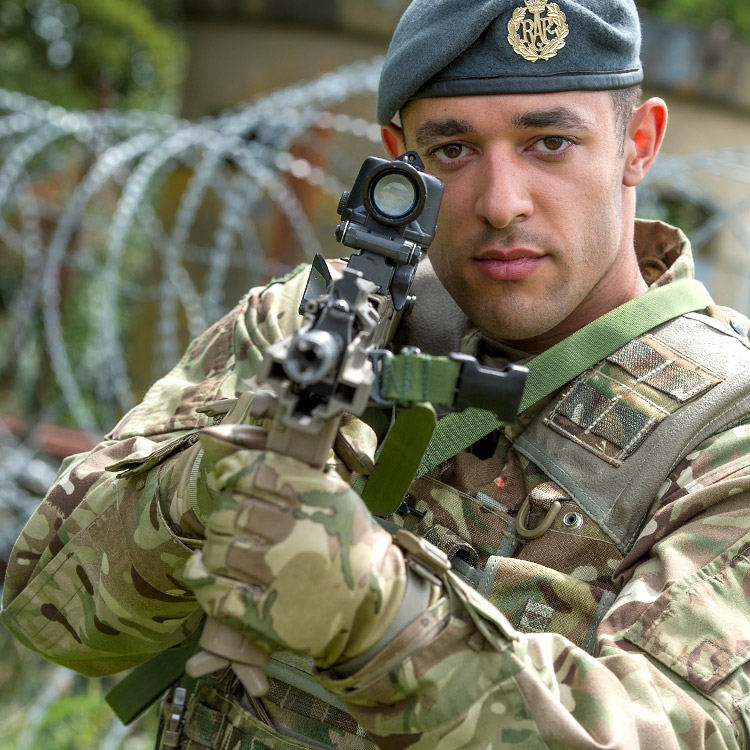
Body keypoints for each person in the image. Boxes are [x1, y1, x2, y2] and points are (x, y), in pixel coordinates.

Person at [3, 0, 750, 747]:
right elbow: (48, 616)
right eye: (453, 150)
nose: (500, 203)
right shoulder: (314, 321)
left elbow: (676, 730)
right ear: (401, 157)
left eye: (549, 143)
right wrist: (208, 484)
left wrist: (384, 618)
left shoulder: (726, 427)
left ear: (638, 143)